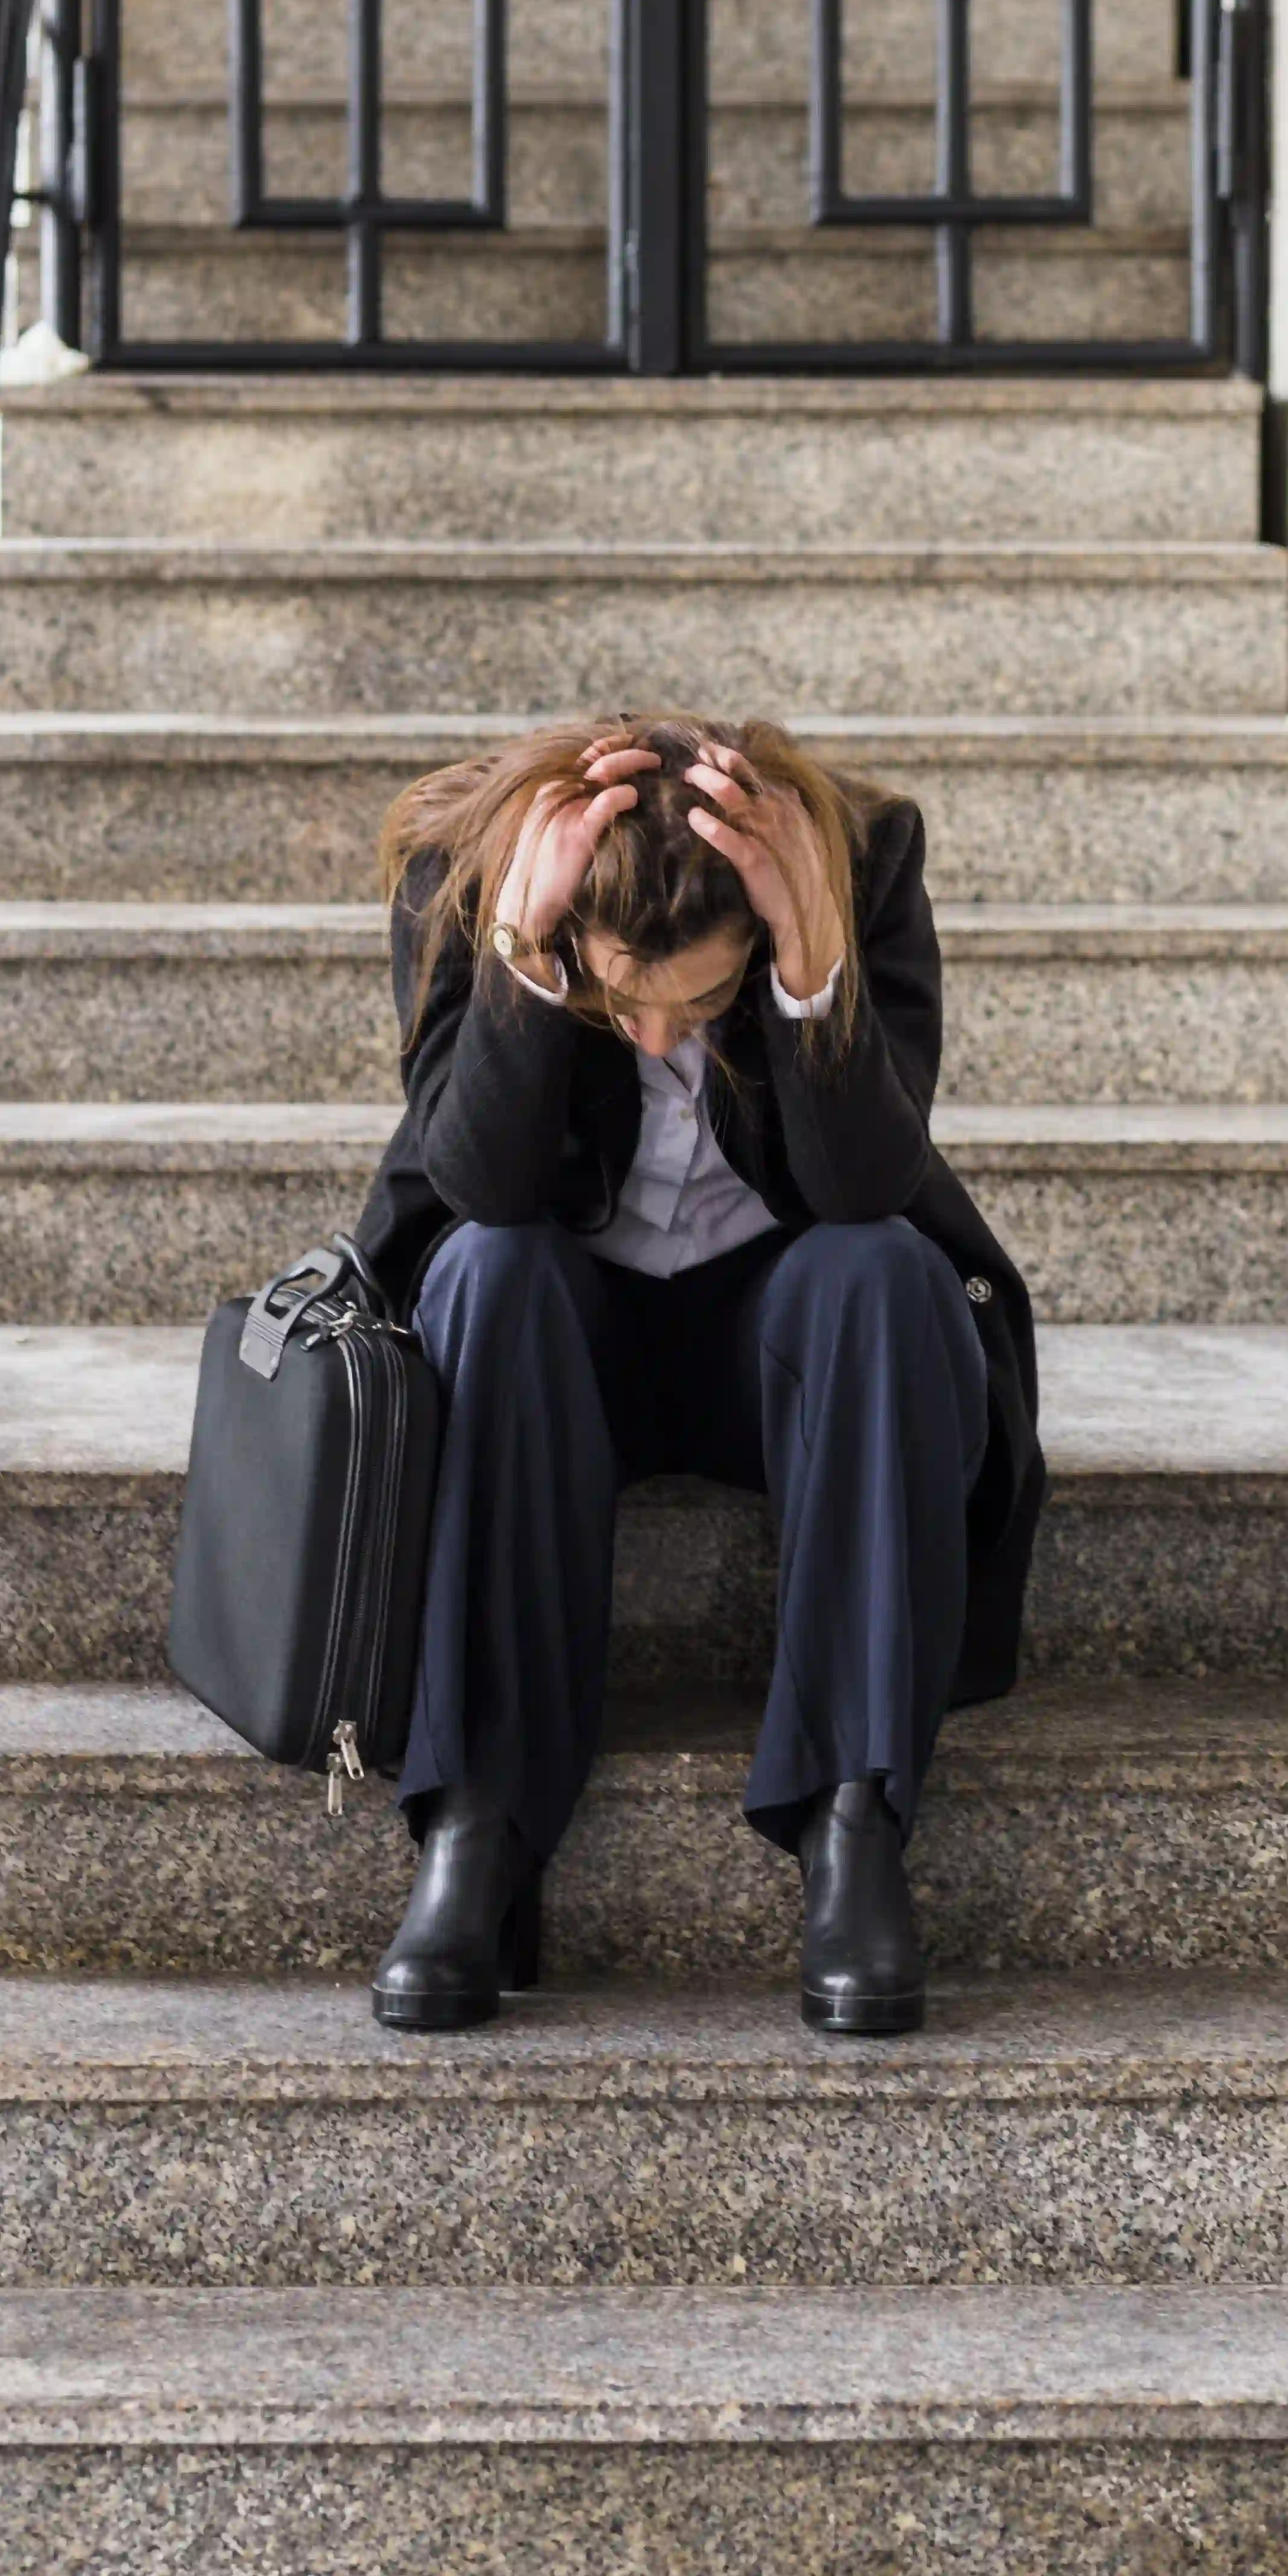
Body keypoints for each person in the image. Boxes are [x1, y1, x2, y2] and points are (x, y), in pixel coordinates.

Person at [352, 712, 1043, 2037]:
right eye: (623, 1001)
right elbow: (482, 1180)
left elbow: (862, 1182)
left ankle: (852, 1817)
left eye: (704, 1003)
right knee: (489, 1268)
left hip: (778, 1334)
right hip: (557, 1347)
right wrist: (524, 956)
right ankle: (475, 1825)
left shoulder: (860, 858)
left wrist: (807, 967)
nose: (660, 1038)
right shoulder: (464, 872)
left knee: (881, 1270)